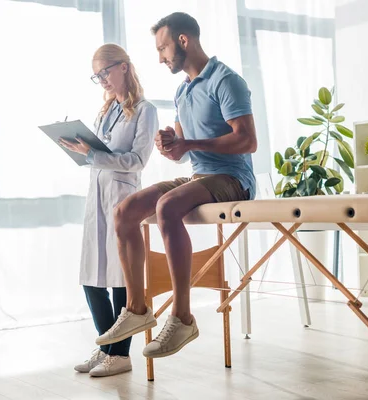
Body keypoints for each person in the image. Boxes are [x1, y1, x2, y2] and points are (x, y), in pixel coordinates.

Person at [95, 12, 257, 359]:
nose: (160, 57)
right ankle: (137, 309)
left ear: (183, 41)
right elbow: (183, 152)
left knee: (167, 206)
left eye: (163, 47)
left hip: (234, 178)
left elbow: (247, 141)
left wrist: (190, 145)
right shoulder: (182, 90)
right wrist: (171, 144)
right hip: (200, 175)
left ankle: (183, 317)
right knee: (125, 212)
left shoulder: (225, 80)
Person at [59, 43, 158, 377]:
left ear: (124, 67)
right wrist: (81, 150)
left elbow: (137, 160)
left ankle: (121, 355)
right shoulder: (104, 111)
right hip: (97, 195)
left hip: (122, 197)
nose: (101, 79)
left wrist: (92, 154)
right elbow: (96, 154)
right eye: (96, 75)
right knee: (91, 275)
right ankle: (105, 348)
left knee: (119, 277)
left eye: (105, 72)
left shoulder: (145, 110)